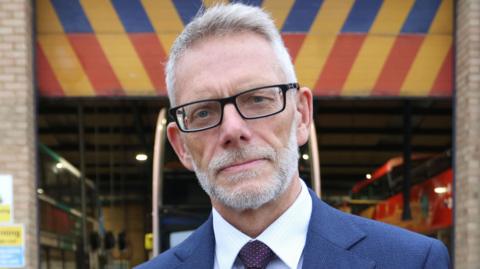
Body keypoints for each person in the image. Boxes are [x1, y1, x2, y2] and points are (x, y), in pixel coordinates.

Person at [136, 3, 451, 269]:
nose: (232, 130)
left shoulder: (413, 261)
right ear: (181, 147)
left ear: (301, 114)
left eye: (257, 99)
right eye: (203, 112)